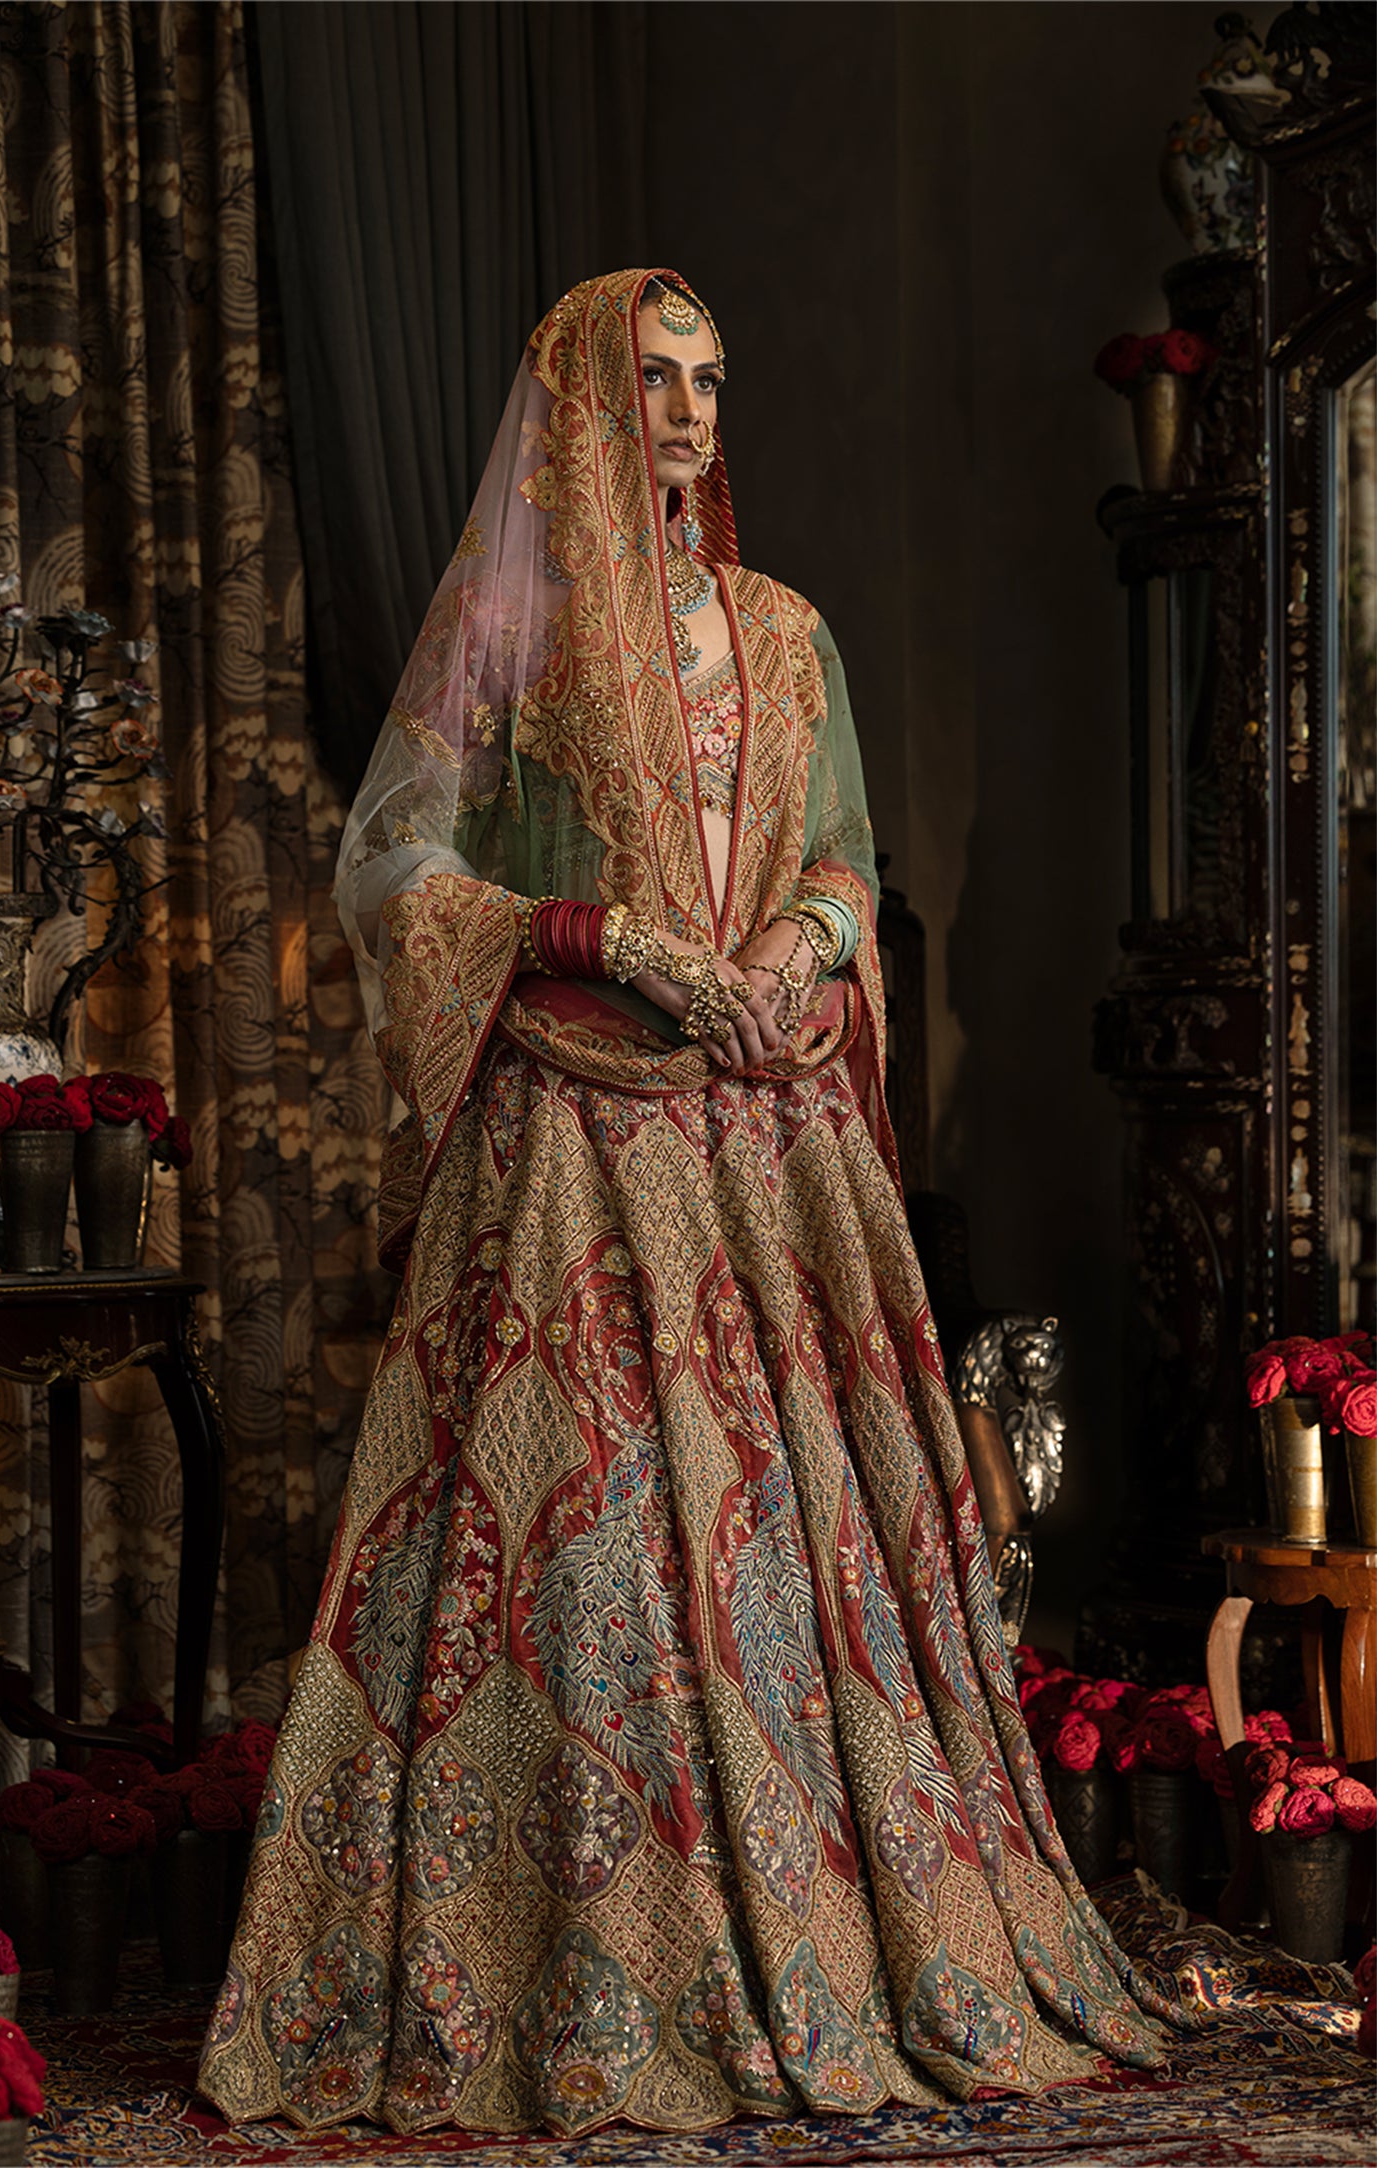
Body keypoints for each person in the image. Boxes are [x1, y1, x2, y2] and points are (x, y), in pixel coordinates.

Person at [198, 267, 1170, 2139]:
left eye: (713, 380)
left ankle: (841, 1939)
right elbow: (389, 859)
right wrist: (608, 940)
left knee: (803, 1554)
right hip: (571, 1139)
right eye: (655, 378)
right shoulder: (511, 626)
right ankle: (576, 1964)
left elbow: (840, 848)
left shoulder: (785, 632)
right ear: (581, 395)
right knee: (589, 1545)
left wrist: (798, 953)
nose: (692, 412)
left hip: (766, 1130)